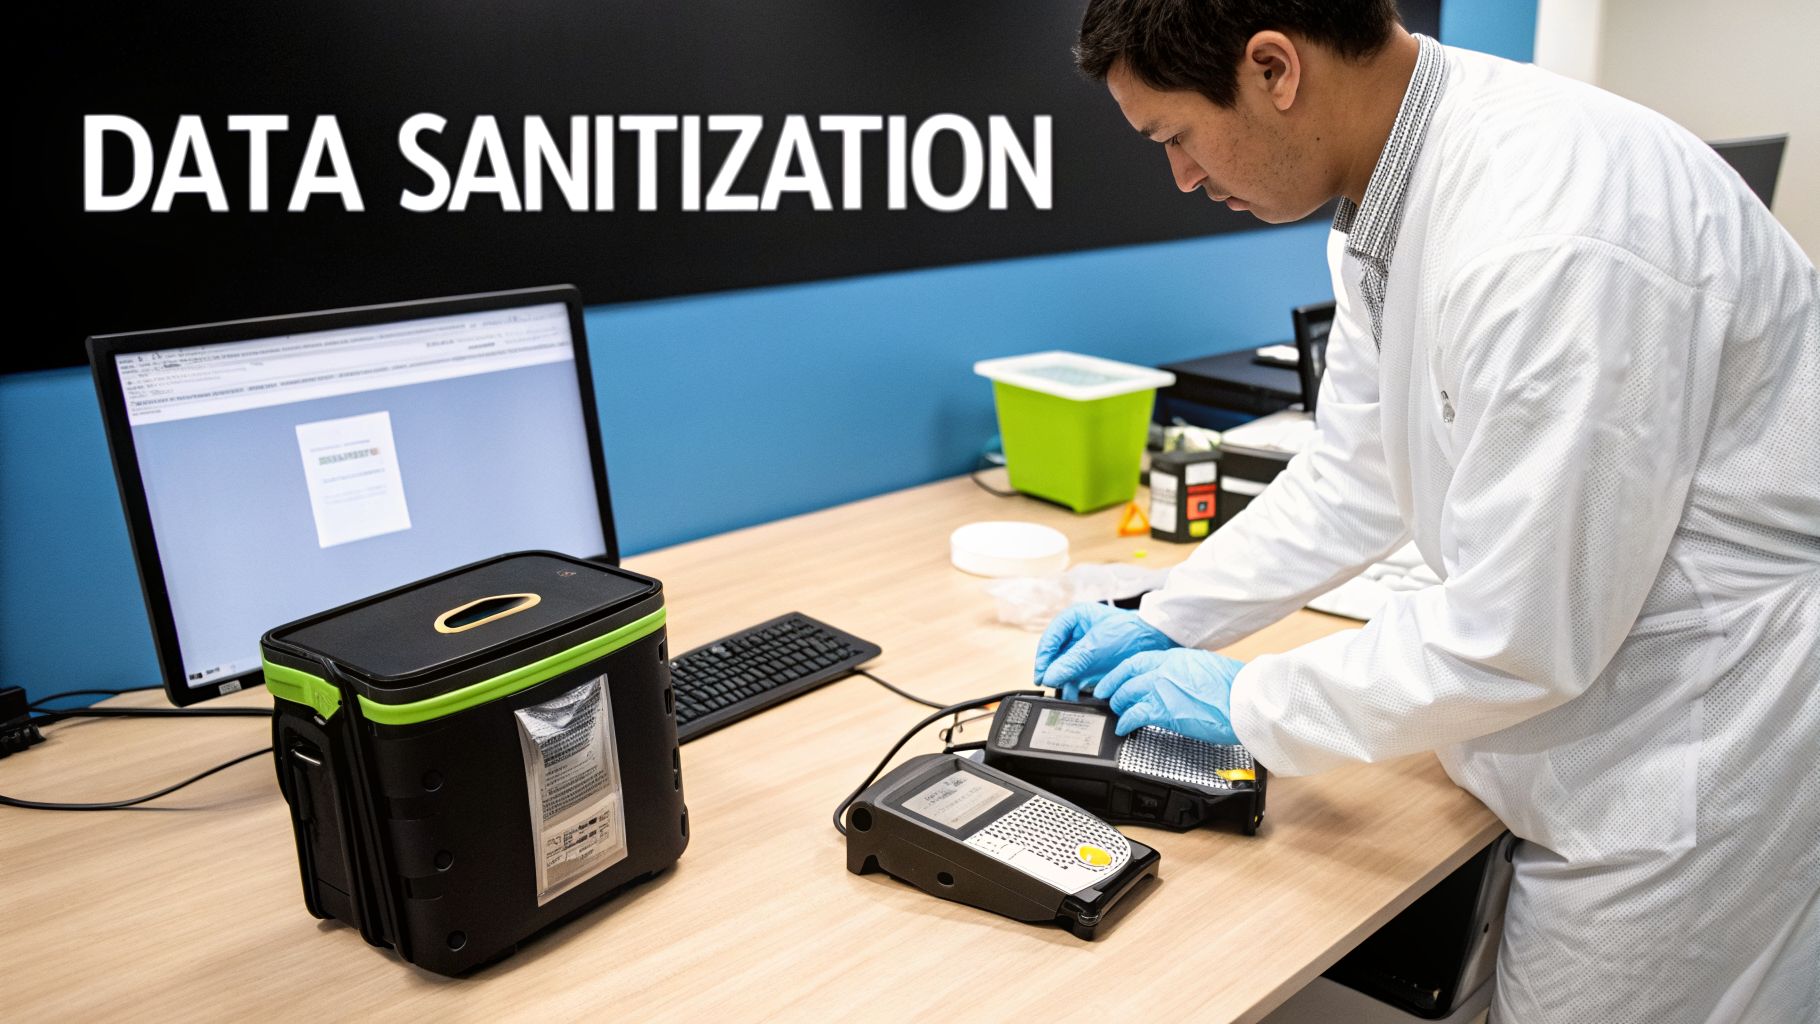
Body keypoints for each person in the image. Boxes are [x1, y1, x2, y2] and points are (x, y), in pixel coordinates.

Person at [1035, 2, 1819, 1021]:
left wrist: (1246, 704)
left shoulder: (1544, 238)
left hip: (1687, 747)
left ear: (1273, 68)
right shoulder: (1394, 192)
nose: (1181, 177)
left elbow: (1516, 634)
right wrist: (1167, 613)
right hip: (1591, 709)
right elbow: (1352, 473)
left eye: (1173, 136)